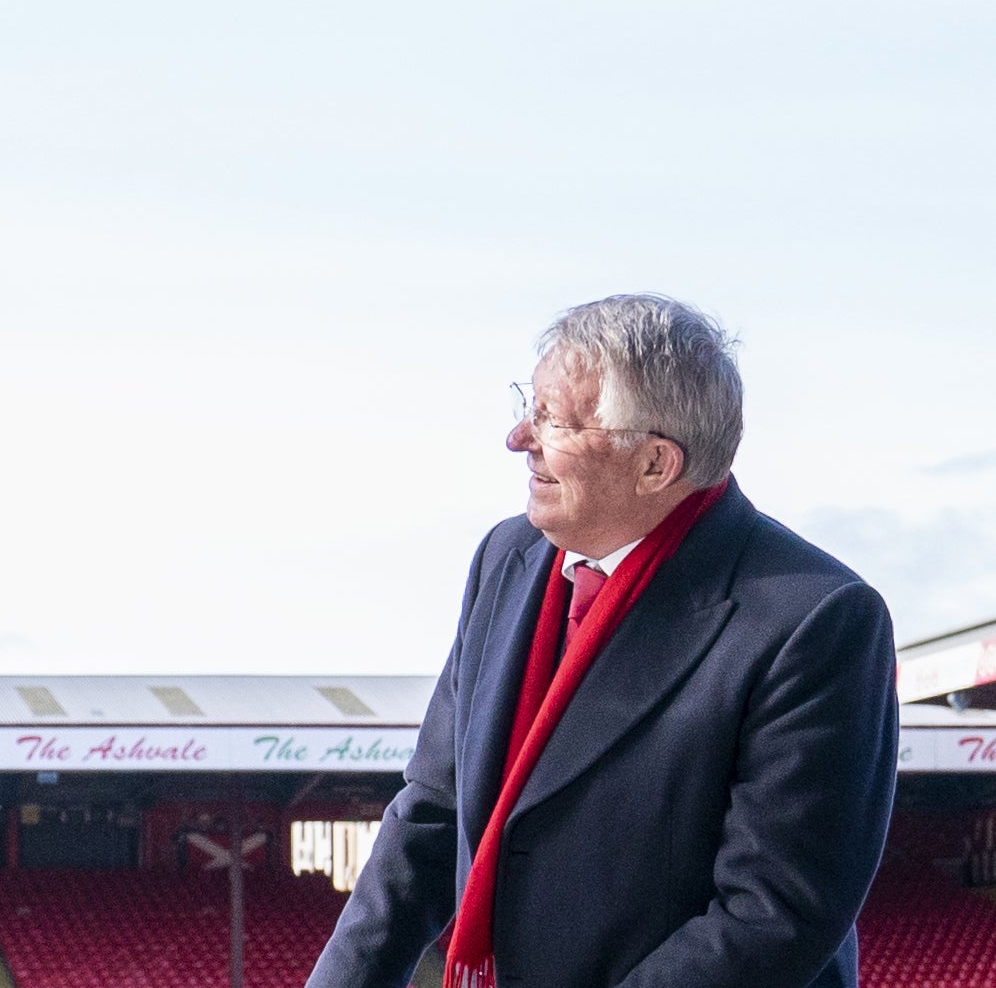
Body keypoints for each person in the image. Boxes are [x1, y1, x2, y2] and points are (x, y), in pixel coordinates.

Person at [308, 295, 899, 988]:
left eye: (556, 420)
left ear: (655, 464)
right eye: (530, 403)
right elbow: (432, 813)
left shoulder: (817, 620)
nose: (518, 437)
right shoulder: (508, 557)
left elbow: (774, 915)